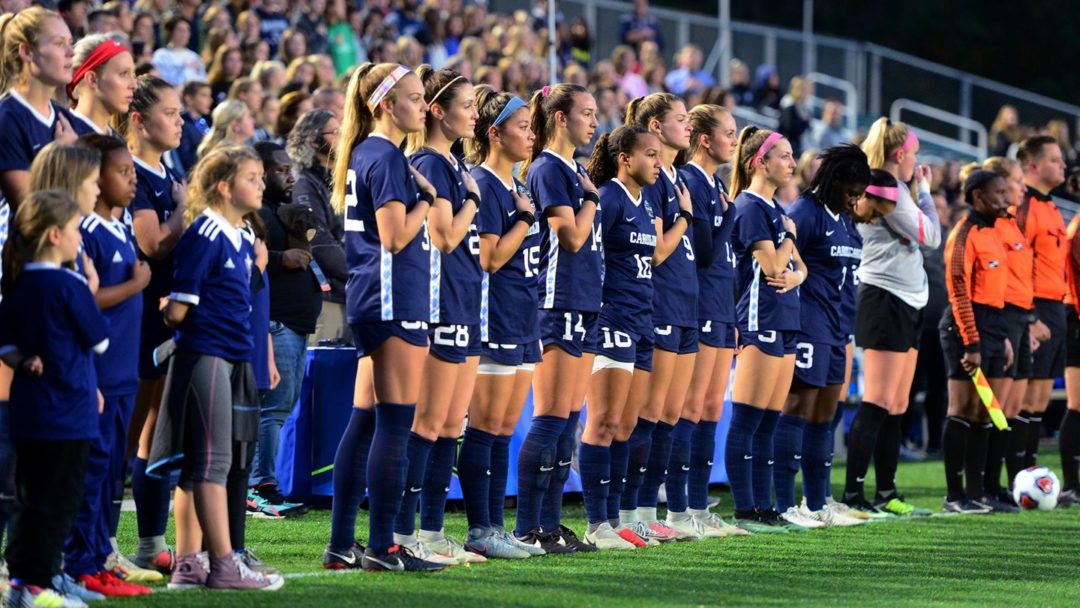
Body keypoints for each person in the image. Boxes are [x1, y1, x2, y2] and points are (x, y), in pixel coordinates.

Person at [147, 144, 282, 591]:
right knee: (211, 462)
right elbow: (181, 309)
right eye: (251, 177)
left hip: (232, 357)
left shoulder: (241, 234)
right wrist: (171, 311)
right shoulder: (205, 232)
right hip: (205, 356)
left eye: (261, 177)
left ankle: (189, 564)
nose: (261, 185)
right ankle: (223, 563)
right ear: (224, 186)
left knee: (202, 464)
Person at [325, 62, 444, 573]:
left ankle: (341, 543)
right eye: (415, 99)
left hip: (372, 296)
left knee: (366, 417)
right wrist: (428, 200)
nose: (422, 107)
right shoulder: (386, 156)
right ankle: (382, 547)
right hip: (393, 297)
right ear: (385, 105)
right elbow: (395, 235)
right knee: (397, 422)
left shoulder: (367, 152)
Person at [392, 66, 485, 566]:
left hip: (467, 301)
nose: (473, 114)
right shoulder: (429, 160)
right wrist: (472, 199)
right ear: (436, 111)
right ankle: (407, 533)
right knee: (427, 425)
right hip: (442, 302)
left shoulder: (451, 161)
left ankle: (432, 531)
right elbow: (444, 235)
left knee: (450, 426)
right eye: (466, 106)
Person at [0, 191, 108, 607]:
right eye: (77, 230)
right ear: (54, 235)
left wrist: (24, 360)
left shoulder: (18, 282)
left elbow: (4, 344)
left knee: (30, 499)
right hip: (68, 413)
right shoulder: (69, 284)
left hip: (29, 412)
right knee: (58, 502)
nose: (80, 239)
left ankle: (23, 584)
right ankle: (39, 584)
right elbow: (98, 341)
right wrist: (92, 287)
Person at [69, 134, 160, 596]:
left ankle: (101, 556)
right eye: (122, 171)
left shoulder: (121, 226)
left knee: (110, 471)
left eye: (132, 170)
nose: (132, 178)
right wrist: (136, 284)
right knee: (90, 470)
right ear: (93, 178)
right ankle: (78, 563)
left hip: (126, 371)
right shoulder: (83, 230)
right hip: (99, 374)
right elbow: (83, 300)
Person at [514, 83, 601, 554]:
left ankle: (549, 523)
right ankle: (529, 524)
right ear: (561, 118)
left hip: (585, 300)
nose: (594, 122)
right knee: (550, 418)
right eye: (586, 113)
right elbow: (570, 237)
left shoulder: (575, 168)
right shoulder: (548, 168)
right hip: (557, 301)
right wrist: (591, 201)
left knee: (568, 422)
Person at [459, 87, 545, 559]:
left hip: (523, 317)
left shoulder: (519, 183)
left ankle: (498, 526)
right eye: (522, 127)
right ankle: (480, 529)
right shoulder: (485, 183)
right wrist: (524, 223)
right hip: (493, 318)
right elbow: (490, 258)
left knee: (503, 429)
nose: (531, 136)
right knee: (485, 427)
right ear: (494, 134)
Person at [843, 118, 940, 518]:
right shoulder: (888, 188)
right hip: (884, 298)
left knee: (897, 403)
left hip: (907, 299)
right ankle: (852, 495)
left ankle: (887, 492)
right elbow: (932, 236)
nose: (917, 161)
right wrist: (927, 193)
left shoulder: (894, 188)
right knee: (878, 400)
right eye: (914, 153)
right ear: (901, 155)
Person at [780, 145, 876, 528]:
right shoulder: (805, 213)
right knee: (796, 410)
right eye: (851, 191)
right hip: (808, 325)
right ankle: (786, 504)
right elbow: (783, 261)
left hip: (839, 329)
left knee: (827, 414)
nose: (856, 199)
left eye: (859, 194)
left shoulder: (846, 219)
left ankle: (818, 501)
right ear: (833, 181)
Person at [577, 124, 662, 550]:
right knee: (604, 421)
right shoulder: (608, 198)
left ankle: (613, 518)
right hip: (612, 320)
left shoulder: (644, 203)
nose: (657, 163)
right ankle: (597, 524)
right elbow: (590, 260)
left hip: (642, 321)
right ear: (625, 158)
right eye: (650, 154)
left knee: (627, 425)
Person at [117, 75, 186, 575]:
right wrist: (188, 210)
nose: (180, 122)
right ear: (139, 120)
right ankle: (95, 543)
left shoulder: (169, 167)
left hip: (167, 315)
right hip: (138, 314)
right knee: (130, 429)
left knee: (157, 434)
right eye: (171, 113)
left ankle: (149, 544)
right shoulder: (132, 171)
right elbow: (153, 243)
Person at [623, 93, 699, 541]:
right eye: (680, 119)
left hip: (686, 305)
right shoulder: (651, 180)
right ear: (654, 124)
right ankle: (630, 510)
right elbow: (655, 251)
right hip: (660, 304)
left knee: (671, 416)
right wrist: (687, 218)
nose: (687, 126)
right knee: (648, 417)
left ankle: (650, 510)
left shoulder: (674, 177)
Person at [726, 126, 806, 533]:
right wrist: (789, 244)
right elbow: (774, 267)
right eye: (785, 156)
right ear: (760, 161)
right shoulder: (751, 206)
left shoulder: (776, 209)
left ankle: (765, 507)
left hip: (785, 319)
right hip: (758, 320)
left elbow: (794, 270)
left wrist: (797, 272)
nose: (792, 163)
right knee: (748, 420)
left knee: (770, 420)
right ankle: (745, 509)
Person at [678, 104, 748, 538]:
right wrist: (731, 215)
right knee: (692, 408)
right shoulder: (690, 180)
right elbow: (705, 252)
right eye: (728, 132)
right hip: (700, 306)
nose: (734, 140)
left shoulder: (714, 183)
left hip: (723, 308)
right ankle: (681, 506)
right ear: (705, 139)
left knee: (708, 410)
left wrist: (735, 312)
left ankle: (699, 506)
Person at [247, 141, 319, 518]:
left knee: (280, 406)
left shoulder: (277, 210)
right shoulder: (255, 213)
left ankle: (263, 482)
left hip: (294, 320)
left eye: (289, 169)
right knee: (272, 408)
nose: (288, 175)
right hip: (276, 320)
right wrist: (280, 258)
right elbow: (247, 259)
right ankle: (260, 486)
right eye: (279, 170)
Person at [939, 170, 1012, 514]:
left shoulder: (995, 232)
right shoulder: (964, 233)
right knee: (963, 408)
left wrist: (1004, 337)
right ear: (978, 196)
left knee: (987, 410)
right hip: (966, 327)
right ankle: (955, 496)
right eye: (998, 193)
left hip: (995, 326)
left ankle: (979, 492)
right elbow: (958, 289)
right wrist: (971, 342)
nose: (1006, 199)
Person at [1015, 135, 1068, 470]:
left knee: (1039, 400)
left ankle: (1030, 473)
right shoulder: (1025, 208)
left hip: (1056, 307)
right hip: (1034, 309)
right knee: (1022, 399)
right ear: (1033, 166)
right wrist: (1030, 317)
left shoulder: (1051, 207)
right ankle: (1014, 475)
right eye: (1054, 159)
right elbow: (1017, 267)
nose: (1062, 165)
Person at [982, 156, 1032, 509]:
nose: (1021, 187)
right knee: (993, 408)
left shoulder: (1013, 224)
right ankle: (983, 485)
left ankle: (998, 483)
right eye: (1015, 181)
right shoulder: (994, 227)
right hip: (1000, 318)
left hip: (1019, 318)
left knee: (1009, 410)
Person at [288, 109, 350, 346]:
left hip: (350, 292)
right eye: (335, 132)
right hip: (328, 298)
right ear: (314, 141)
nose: (342, 137)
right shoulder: (304, 185)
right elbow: (320, 242)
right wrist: (360, 273)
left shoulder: (340, 179)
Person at [67, 34, 135, 137]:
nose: (134, 85)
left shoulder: (118, 141)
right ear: (92, 80)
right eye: (123, 73)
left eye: (133, 74)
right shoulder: (64, 131)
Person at [151, 16, 206, 88]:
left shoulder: (194, 57)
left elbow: (203, 80)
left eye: (187, 30)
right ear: (171, 32)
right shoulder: (160, 55)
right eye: (180, 30)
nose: (184, 34)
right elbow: (159, 81)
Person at [178, 81, 212, 172]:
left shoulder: (202, 121)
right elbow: (186, 159)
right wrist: (205, 144)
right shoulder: (182, 124)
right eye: (204, 95)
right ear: (189, 99)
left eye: (210, 96)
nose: (210, 100)